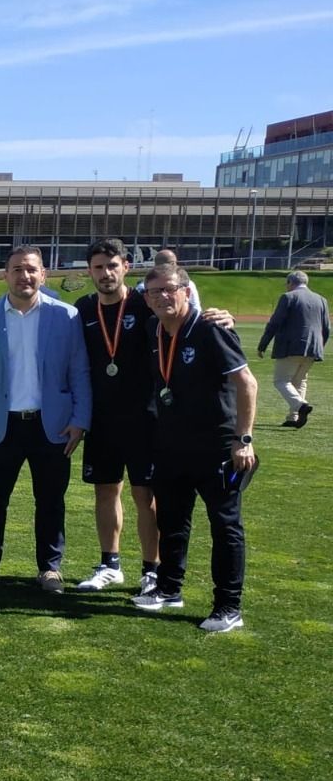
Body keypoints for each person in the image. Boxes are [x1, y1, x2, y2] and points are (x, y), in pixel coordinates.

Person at [132, 263, 257, 633]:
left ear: (187, 291)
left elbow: (247, 384)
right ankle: (170, 588)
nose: (162, 297)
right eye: (154, 292)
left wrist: (243, 438)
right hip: (171, 445)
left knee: (225, 525)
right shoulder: (154, 329)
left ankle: (228, 606)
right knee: (172, 519)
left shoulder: (210, 329)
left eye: (170, 289)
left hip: (218, 446)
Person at [0, 245, 92, 592]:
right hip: (0, 423)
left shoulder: (66, 316)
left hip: (51, 425)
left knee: (51, 500)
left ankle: (50, 568)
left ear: (43, 274)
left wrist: (80, 420)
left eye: (31, 269)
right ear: (6, 275)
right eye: (17, 269)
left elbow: (79, 370)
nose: (25, 276)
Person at [74, 239, 160, 594]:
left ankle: (152, 570)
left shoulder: (144, 304)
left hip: (144, 418)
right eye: (98, 267)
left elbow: (182, 319)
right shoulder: (82, 308)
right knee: (106, 491)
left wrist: (220, 315)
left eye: (112, 265)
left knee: (146, 495)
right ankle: (110, 564)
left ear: (126, 266)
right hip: (102, 420)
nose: (106, 273)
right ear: (90, 271)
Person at [258, 270, 329, 428]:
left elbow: (275, 323)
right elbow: (326, 328)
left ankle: (300, 406)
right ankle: (294, 417)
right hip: (313, 347)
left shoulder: (288, 297)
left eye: (287, 283)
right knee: (300, 380)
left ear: (290, 282)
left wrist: (263, 344)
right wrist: (320, 347)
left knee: (281, 380)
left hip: (291, 346)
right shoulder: (321, 299)